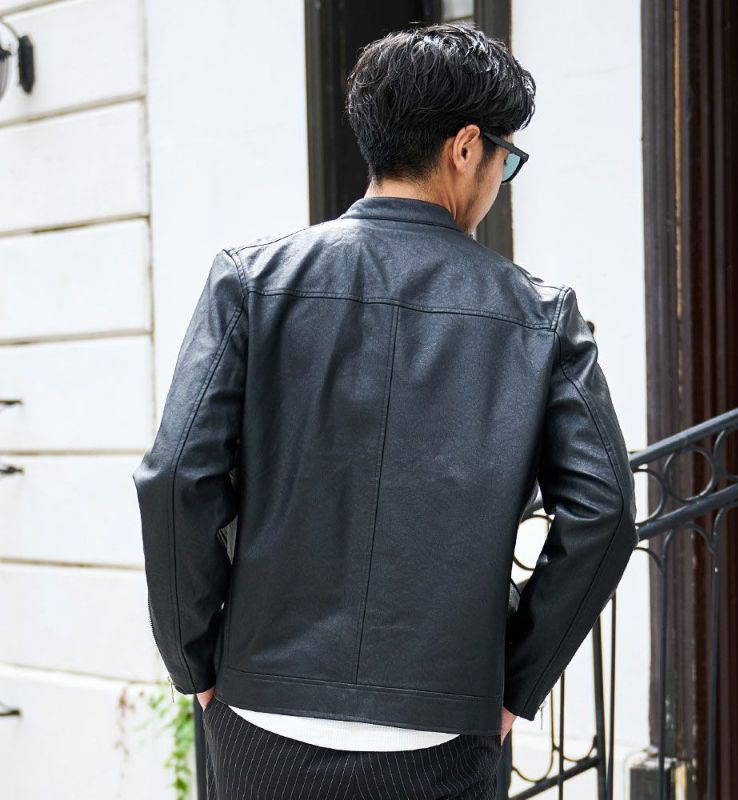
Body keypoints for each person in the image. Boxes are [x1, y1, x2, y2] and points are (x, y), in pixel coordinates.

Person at [132, 21, 638, 800]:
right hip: (440, 735)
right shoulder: (540, 317)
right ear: (465, 148)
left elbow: (176, 479)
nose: (502, 178)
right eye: (507, 158)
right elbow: (604, 513)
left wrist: (193, 661)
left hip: (265, 716)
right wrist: (514, 685)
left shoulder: (251, 282)